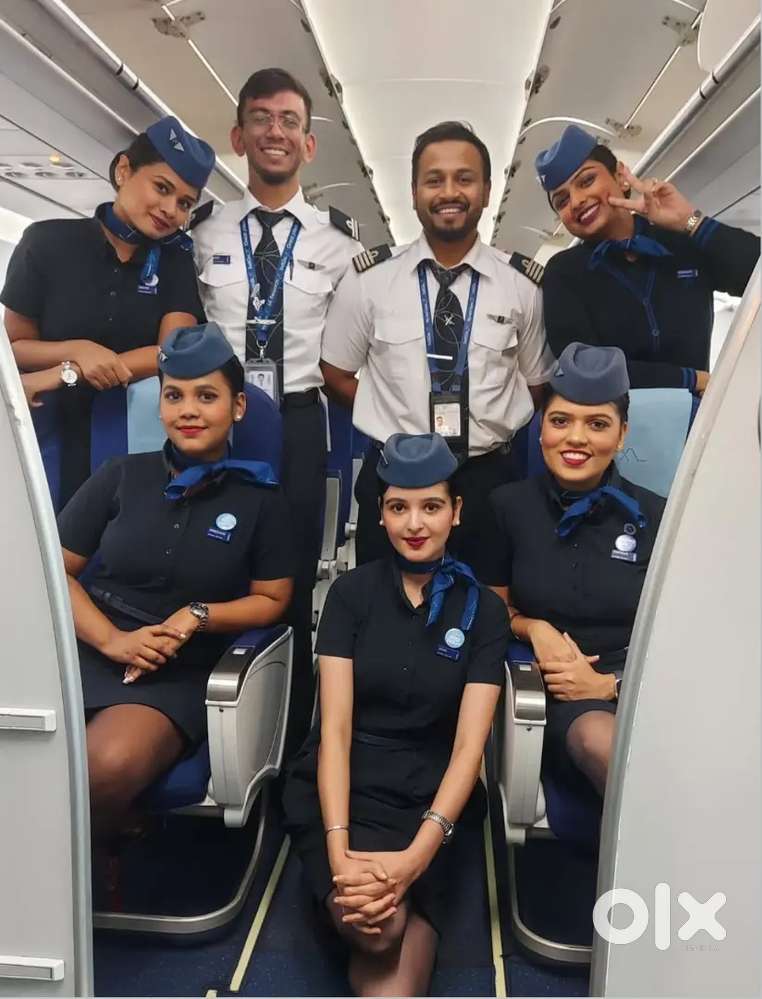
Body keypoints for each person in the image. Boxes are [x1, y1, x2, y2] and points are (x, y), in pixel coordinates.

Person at [282, 432, 508, 997]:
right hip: (346, 783)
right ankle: (379, 903)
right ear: (380, 514)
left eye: (431, 507)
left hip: (432, 794)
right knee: (380, 929)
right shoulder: (349, 595)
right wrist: (338, 851)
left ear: (456, 511)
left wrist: (416, 857)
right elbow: (334, 732)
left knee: (385, 948)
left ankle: (404, 900)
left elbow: (469, 749)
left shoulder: (485, 611)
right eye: (398, 507)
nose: (414, 523)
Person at [57, 322, 294, 841]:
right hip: (89, 641)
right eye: (174, 396)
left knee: (102, 768)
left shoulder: (262, 500)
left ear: (238, 407)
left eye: (206, 396)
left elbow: (272, 599)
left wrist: (198, 615)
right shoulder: (120, 474)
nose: (188, 410)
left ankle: (96, 856)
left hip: (176, 666)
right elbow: (57, 571)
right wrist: (112, 639)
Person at [192, 67, 364, 752]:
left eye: (290, 120)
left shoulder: (341, 244)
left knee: (287, 579)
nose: (275, 131)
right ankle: (207, 723)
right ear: (238, 137)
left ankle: (288, 740)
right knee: (208, 565)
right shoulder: (202, 232)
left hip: (296, 422)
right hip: (215, 420)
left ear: (308, 144)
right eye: (261, 118)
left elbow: (353, 352)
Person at [321, 120, 556, 580]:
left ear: (486, 191)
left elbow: (536, 382)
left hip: (488, 481)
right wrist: (393, 419)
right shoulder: (369, 280)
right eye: (434, 180)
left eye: (464, 179)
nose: (449, 192)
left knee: (488, 608)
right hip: (394, 476)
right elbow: (336, 373)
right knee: (385, 608)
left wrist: (488, 424)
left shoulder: (522, 286)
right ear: (413, 193)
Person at [2, 115, 215, 505]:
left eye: (184, 203)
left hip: (131, 430)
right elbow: (14, 348)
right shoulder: (46, 242)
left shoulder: (175, 262)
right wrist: (78, 350)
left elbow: (171, 352)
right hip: (48, 429)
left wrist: (69, 371)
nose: (171, 209)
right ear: (123, 170)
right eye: (162, 188)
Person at [489, 342, 665, 797]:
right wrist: (534, 628)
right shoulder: (508, 508)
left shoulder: (660, 517)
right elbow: (491, 607)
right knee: (602, 742)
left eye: (598, 424)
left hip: (647, 683)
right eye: (561, 421)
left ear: (622, 435)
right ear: (541, 429)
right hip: (560, 693)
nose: (576, 438)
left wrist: (612, 685)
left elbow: (687, 636)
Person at [535, 124, 760, 392]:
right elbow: (584, 366)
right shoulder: (565, 272)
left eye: (586, 181)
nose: (576, 201)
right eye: (562, 201)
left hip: (703, 412)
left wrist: (691, 221)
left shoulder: (680, 242)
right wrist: (691, 380)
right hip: (626, 418)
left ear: (620, 176)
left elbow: (757, 274)